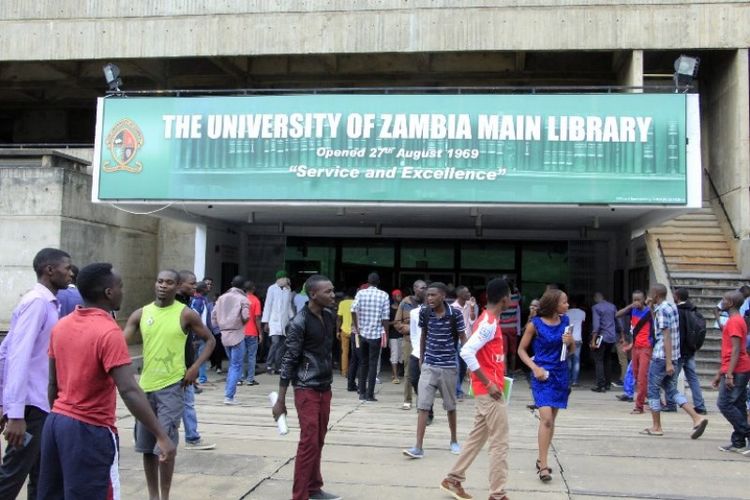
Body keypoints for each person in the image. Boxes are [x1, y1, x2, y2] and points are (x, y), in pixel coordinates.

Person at [38, 263, 177, 498]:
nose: (123, 291)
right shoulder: (109, 331)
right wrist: (161, 435)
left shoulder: (62, 326)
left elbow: (53, 383)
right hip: (91, 429)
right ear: (109, 293)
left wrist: (61, 420)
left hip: (56, 423)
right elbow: (129, 389)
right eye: (120, 286)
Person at [123, 269, 215, 500]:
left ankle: (164, 496)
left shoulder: (186, 314)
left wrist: (194, 367)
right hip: (145, 388)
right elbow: (118, 344)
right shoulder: (141, 314)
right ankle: (153, 495)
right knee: (146, 448)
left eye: (169, 282)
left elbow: (210, 340)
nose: (163, 286)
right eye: (160, 281)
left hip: (172, 387)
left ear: (177, 287)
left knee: (165, 447)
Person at [0, 248, 72, 499]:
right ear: (49, 270)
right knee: (11, 476)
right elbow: (16, 356)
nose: (71, 273)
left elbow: (5, 350)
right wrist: (15, 413)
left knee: (42, 477)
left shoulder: (50, 303)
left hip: (42, 406)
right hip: (31, 409)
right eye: (67, 267)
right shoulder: (37, 303)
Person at [440, 278, 513, 500]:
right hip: (490, 391)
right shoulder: (489, 323)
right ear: (504, 299)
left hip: (488, 389)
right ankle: (497, 494)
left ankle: (453, 478)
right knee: (500, 443)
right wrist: (489, 382)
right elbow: (466, 352)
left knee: (477, 438)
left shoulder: (488, 320)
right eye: (510, 295)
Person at [272, 275, 341, 500]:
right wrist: (281, 400)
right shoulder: (298, 322)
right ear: (313, 294)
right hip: (305, 387)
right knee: (309, 440)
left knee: (319, 438)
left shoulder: (329, 317)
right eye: (328, 292)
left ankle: (314, 487)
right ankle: (300, 495)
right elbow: (289, 359)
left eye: (332, 291)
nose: (333, 295)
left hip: (324, 386)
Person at [403, 282, 467, 459]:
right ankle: (418, 447)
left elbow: (462, 337)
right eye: (428, 295)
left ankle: (454, 440)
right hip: (429, 366)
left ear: (443, 296)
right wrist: (422, 359)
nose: (429, 298)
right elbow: (423, 334)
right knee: (423, 406)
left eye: (433, 295)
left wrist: (468, 362)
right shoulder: (425, 312)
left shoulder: (455, 314)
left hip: (448, 367)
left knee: (450, 407)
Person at [517, 289, 576, 483]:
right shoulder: (535, 324)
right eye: (565, 302)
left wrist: (570, 342)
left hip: (560, 374)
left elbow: (570, 351)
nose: (568, 305)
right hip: (542, 375)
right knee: (547, 419)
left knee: (552, 420)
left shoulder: (566, 322)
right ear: (554, 304)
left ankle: (541, 458)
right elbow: (521, 350)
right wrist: (534, 368)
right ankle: (543, 466)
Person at [640, 283, 708, 439]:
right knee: (671, 390)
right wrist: (651, 308)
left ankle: (656, 427)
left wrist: (668, 362)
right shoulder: (670, 307)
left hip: (662, 357)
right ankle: (697, 417)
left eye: (651, 294)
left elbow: (666, 336)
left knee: (653, 391)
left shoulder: (662, 310)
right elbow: (658, 326)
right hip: (674, 356)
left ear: (656, 295)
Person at [176, 270, 216, 451]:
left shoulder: (188, 305)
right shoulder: (180, 309)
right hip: (175, 365)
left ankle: (191, 436)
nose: (195, 286)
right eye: (191, 283)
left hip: (186, 362)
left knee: (186, 402)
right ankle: (191, 437)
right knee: (182, 403)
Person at [713, 291, 750, 453]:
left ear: (730, 303)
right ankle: (738, 442)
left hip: (737, 370)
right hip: (736, 368)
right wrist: (720, 373)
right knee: (739, 405)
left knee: (725, 404)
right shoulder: (734, 321)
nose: (722, 302)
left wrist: (728, 374)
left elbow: (735, 350)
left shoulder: (735, 321)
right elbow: (730, 349)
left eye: (724, 299)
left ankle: (746, 433)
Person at [351, 273, 390, 402]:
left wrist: (357, 327)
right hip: (376, 334)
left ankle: (361, 393)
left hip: (362, 334)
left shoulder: (361, 293)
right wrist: (386, 333)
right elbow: (385, 318)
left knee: (363, 363)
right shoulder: (384, 295)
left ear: (368, 281)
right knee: (373, 364)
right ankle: (370, 394)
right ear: (378, 282)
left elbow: (353, 310)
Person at [212, 275, 251, 405]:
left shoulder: (221, 298)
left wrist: (219, 329)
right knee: (235, 366)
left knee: (231, 365)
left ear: (231, 284)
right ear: (244, 287)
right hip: (237, 335)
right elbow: (246, 316)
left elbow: (213, 317)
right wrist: (242, 321)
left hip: (224, 335)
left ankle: (228, 393)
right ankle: (229, 396)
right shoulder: (243, 299)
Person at [615, 291, 652, 414]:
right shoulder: (633, 310)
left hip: (646, 347)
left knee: (641, 378)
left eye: (639, 299)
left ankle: (639, 407)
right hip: (635, 347)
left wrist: (649, 305)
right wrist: (630, 306)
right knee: (636, 376)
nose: (636, 302)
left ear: (644, 299)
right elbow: (617, 314)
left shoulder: (649, 311)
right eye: (634, 299)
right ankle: (653, 399)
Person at [674, 288, 707, 415]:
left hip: (680, 351)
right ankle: (700, 405)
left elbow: (679, 334)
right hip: (691, 350)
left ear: (677, 297)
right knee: (693, 379)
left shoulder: (678, 312)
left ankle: (671, 403)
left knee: (671, 380)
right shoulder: (695, 311)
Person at [395, 280, 427, 410]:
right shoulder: (405, 303)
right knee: (409, 372)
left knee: (425, 372)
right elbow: (397, 322)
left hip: (425, 343)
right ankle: (407, 400)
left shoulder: (429, 302)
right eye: (422, 288)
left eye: (426, 287)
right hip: (409, 341)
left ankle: (423, 401)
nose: (425, 290)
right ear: (415, 289)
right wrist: (409, 328)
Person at [262, 271, 293, 375]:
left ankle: (278, 366)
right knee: (275, 343)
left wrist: (292, 319)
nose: (286, 280)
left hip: (284, 322)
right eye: (284, 278)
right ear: (279, 279)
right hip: (273, 321)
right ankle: (269, 364)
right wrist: (266, 322)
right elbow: (268, 305)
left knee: (282, 345)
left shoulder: (287, 290)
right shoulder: (272, 289)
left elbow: (288, 306)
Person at [451, 286, 477, 401]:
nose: (469, 293)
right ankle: (457, 391)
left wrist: (471, 308)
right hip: (456, 339)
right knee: (456, 366)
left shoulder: (472, 305)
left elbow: (473, 321)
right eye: (466, 292)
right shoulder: (452, 307)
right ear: (460, 294)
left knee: (463, 367)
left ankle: (458, 388)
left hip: (468, 340)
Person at [590, 292, 618, 392]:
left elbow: (596, 325)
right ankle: (607, 384)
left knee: (599, 360)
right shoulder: (612, 306)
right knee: (607, 359)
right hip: (611, 337)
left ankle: (600, 385)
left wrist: (593, 340)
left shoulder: (596, 307)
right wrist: (621, 334)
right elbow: (617, 321)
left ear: (596, 298)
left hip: (601, 336)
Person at [190, 281, 217, 384]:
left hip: (198, 333)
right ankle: (201, 378)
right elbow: (196, 316)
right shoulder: (199, 302)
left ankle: (198, 378)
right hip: (199, 334)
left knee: (197, 356)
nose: (208, 289)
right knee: (201, 356)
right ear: (202, 290)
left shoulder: (198, 300)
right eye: (206, 288)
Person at [241, 280, 263, 386]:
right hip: (252, 332)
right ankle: (250, 379)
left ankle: (239, 378)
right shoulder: (256, 300)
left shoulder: (240, 299)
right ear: (253, 288)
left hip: (240, 332)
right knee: (251, 356)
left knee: (241, 355)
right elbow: (257, 318)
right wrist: (260, 333)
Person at [498, 282, 520, 374]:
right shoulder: (516, 300)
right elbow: (518, 315)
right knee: (513, 352)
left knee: (504, 352)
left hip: (502, 328)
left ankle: (505, 372)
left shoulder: (501, 300)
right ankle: (513, 372)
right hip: (513, 328)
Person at [566, 297, 586, 387]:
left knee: (568, 359)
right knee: (577, 360)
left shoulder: (566, 313)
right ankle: (575, 381)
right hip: (578, 338)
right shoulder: (582, 313)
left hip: (569, 338)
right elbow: (583, 323)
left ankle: (568, 379)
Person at [336, 290, 354, 379]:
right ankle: (354, 371)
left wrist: (337, 331)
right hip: (355, 332)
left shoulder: (342, 303)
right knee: (355, 352)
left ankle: (344, 372)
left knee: (344, 353)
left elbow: (339, 319)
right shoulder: (356, 302)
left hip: (344, 330)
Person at [389, 289, 404, 384]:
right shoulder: (389, 309)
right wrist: (394, 322)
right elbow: (385, 323)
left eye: (400, 295)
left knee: (401, 356)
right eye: (397, 295)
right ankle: (395, 376)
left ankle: (396, 373)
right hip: (393, 335)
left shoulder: (403, 308)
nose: (399, 297)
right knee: (394, 355)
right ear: (393, 297)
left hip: (402, 334)